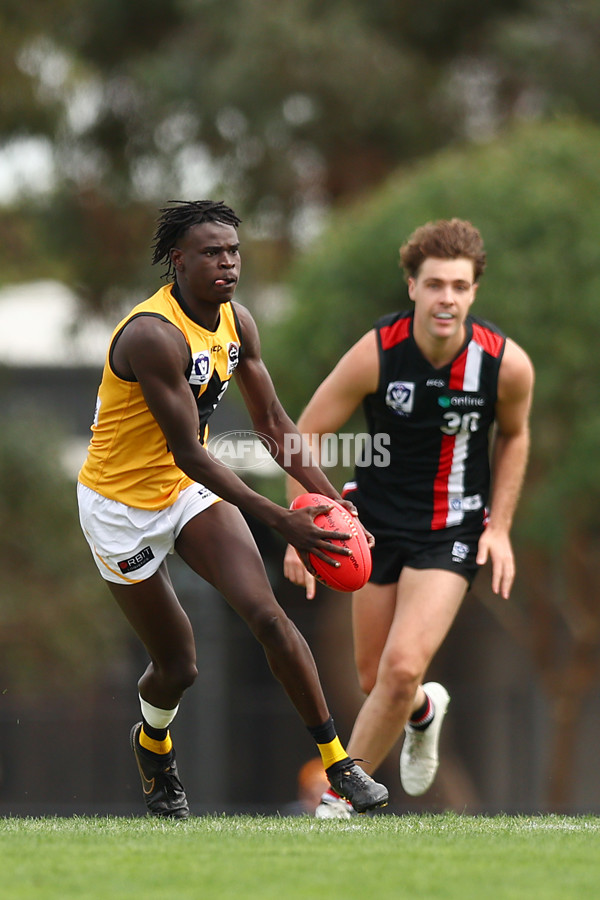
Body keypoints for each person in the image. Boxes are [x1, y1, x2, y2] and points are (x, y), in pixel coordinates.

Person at [77, 199, 388, 819]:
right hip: (119, 506)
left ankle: (339, 765)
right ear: (178, 260)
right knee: (180, 666)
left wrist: (331, 504)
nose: (227, 263)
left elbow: (273, 424)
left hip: (184, 490)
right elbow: (190, 451)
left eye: (233, 251)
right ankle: (154, 745)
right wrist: (282, 521)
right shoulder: (151, 335)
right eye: (212, 253)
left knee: (267, 615)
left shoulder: (237, 322)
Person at [284, 218, 534, 817]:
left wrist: (498, 526)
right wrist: (301, 528)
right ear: (413, 287)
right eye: (435, 284)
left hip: (451, 532)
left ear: (473, 292)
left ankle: (339, 802)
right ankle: (423, 710)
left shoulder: (505, 365)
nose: (447, 297)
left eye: (459, 285)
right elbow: (302, 436)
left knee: (398, 669)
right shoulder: (378, 353)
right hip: (372, 529)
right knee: (379, 682)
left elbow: (516, 437)